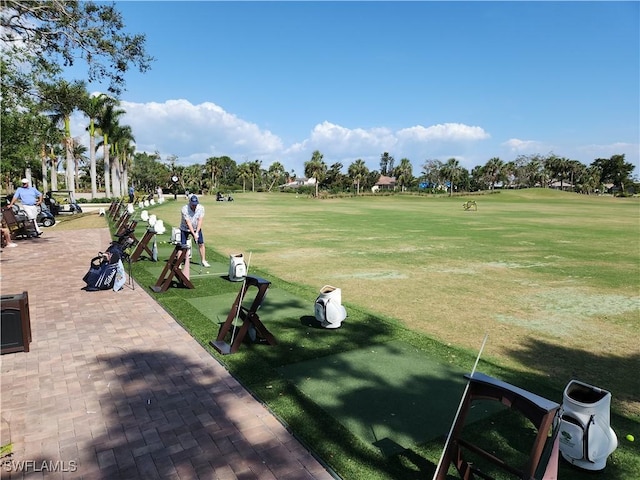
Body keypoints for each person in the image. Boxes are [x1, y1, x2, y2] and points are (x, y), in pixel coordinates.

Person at [180, 194, 210, 267]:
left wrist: (196, 232)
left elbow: (200, 220)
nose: (194, 206)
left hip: (197, 227)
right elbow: (188, 223)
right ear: (190, 203)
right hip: (185, 228)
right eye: (193, 205)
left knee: (201, 244)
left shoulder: (201, 208)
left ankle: (203, 260)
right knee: (182, 246)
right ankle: (179, 262)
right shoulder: (184, 209)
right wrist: (193, 234)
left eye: (195, 204)